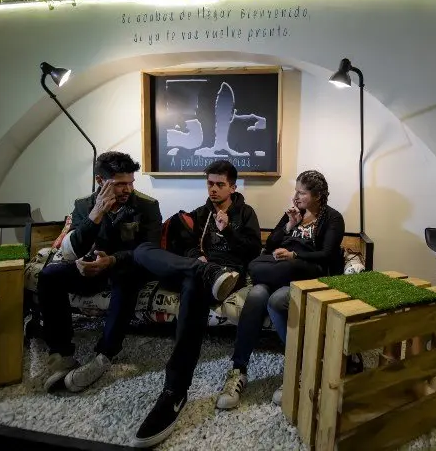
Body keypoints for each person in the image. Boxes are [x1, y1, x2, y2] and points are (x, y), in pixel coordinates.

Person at [130, 160, 262, 448]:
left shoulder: (245, 213)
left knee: (194, 286)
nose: (213, 189)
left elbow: (253, 251)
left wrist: (228, 231)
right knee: (142, 250)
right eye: (210, 184)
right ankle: (203, 272)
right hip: (201, 268)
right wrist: (197, 258)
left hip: (228, 275)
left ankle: (174, 391)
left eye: (220, 185)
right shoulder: (202, 213)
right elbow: (187, 244)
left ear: (232, 186)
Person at [216, 170, 345, 410]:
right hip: (280, 271)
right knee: (256, 294)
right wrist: (289, 225)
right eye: (295, 191)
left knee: (277, 299)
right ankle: (238, 370)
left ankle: (300, 368)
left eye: (301, 193)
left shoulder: (333, 218)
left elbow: (327, 255)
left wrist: (294, 254)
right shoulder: (296, 214)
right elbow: (272, 244)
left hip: (307, 275)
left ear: (317, 195)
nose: (295, 197)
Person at [38, 151, 162, 394]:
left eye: (130, 183)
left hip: (127, 267)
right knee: (49, 276)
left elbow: (149, 249)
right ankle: (61, 354)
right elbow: (74, 249)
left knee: (125, 279)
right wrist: (96, 216)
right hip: (93, 267)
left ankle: (105, 354)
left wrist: (113, 260)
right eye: (119, 184)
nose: (127, 189)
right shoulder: (84, 205)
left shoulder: (147, 206)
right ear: (100, 181)